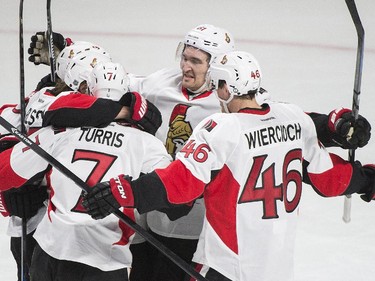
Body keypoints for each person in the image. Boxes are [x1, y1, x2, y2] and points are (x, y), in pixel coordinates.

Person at [27, 24, 372, 281]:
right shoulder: (159, 83)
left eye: (196, 60)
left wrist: (335, 127)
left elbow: (289, 122)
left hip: (198, 225)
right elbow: (105, 80)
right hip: (149, 220)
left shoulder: (230, 111)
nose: (186, 67)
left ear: (219, 70)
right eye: (184, 56)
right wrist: (67, 53)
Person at [0, 60, 171, 281]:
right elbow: (177, 196)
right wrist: (130, 191)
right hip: (104, 262)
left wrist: (14, 194)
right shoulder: (146, 143)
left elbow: (4, 172)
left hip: (49, 254)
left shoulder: (59, 130)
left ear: (88, 91)